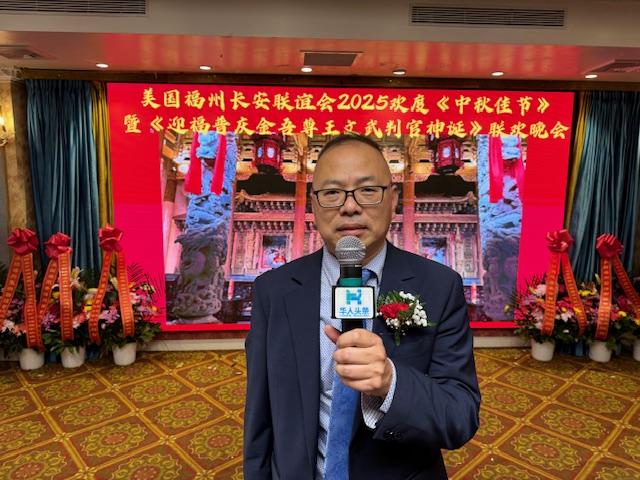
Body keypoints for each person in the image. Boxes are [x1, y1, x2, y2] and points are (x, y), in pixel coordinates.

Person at [244, 134, 480, 479]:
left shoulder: (439, 286)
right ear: (313, 204)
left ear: (393, 200)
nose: (349, 207)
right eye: (331, 193)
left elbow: (460, 416)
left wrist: (391, 383)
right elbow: (259, 416)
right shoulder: (274, 290)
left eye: (368, 190)